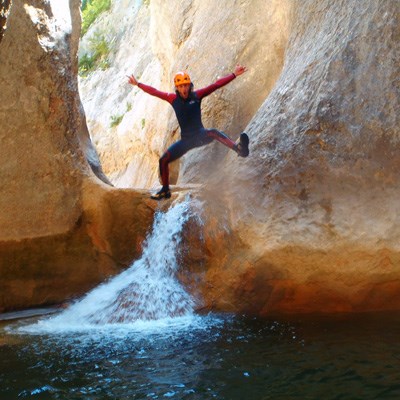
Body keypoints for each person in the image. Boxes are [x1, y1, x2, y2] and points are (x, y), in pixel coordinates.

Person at [127, 65, 249, 200]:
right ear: (177, 88)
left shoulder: (197, 96)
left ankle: (239, 149)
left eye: (186, 86)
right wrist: (138, 84)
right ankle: (165, 190)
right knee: (163, 160)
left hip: (200, 135)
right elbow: (154, 92)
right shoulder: (172, 99)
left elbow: (215, 85)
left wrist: (234, 74)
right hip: (186, 141)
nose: (184, 89)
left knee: (213, 132)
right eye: (181, 86)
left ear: (190, 86)